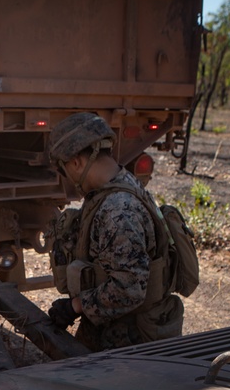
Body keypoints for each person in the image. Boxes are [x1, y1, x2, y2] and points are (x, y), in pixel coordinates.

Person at [47, 112, 184, 351]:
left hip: (129, 342)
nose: (67, 178)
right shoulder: (123, 184)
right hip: (118, 330)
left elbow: (129, 288)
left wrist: (76, 307)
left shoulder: (117, 209)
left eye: (64, 169)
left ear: (77, 162)